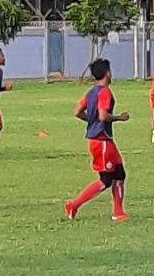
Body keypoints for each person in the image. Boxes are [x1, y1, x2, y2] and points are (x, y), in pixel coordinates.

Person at [64, 58, 130, 222]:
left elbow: (77, 111)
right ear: (108, 73)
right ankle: (74, 204)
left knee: (120, 174)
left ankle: (118, 212)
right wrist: (118, 118)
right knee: (106, 180)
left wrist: (91, 121)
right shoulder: (105, 92)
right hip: (101, 141)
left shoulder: (91, 92)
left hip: (104, 140)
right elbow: (103, 115)